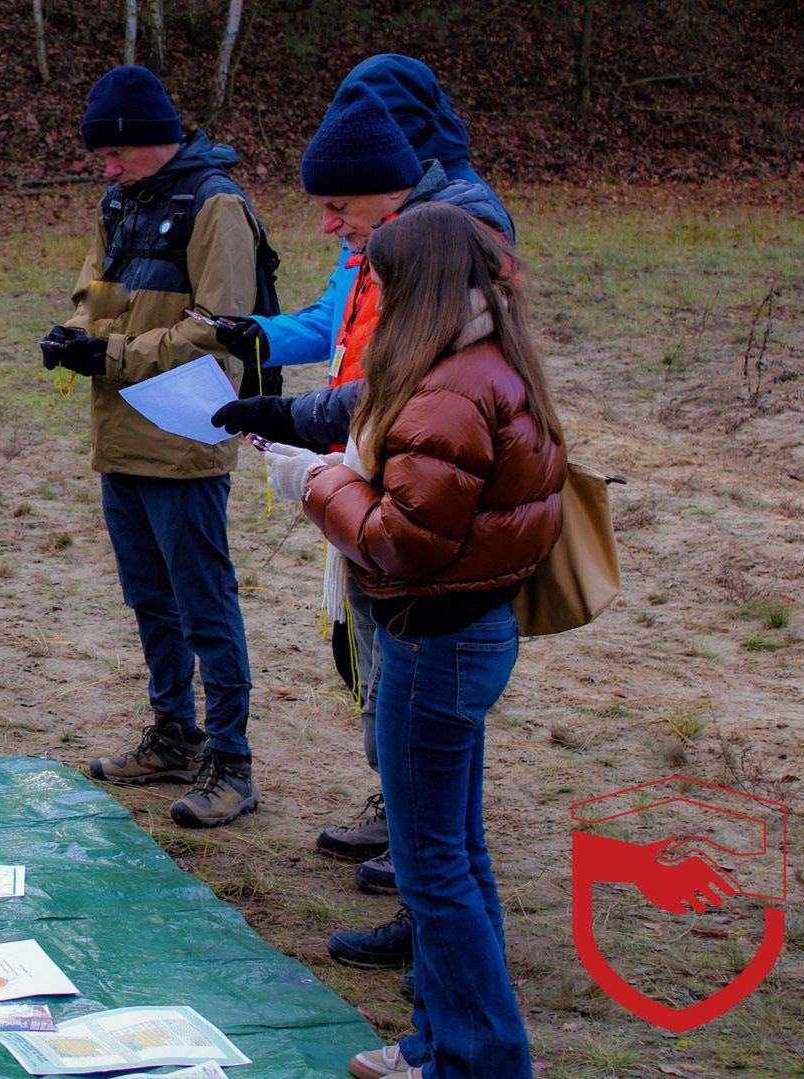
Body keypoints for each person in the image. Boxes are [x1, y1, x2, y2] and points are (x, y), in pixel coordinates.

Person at [206, 67, 514, 976]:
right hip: (389, 507)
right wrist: (258, 352)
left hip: (423, 572)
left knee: (432, 799)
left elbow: (404, 509)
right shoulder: (404, 254)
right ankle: (449, 970)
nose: (332, 227)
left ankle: (451, 1008)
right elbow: (347, 340)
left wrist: (308, 469)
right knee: (421, 779)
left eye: (341, 207)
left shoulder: (447, 272)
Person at [273, 200, 564, 1079]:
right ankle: (444, 1041)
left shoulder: (452, 390)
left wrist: (315, 483)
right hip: (462, 631)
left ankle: (478, 1059)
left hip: (435, 640)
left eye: (382, 281)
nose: (374, 294)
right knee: (455, 852)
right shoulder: (478, 364)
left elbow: (403, 538)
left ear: (420, 286)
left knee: (433, 866)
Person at [39, 66, 270, 829]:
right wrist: (76, 336)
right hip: (120, 435)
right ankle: (175, 732)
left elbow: (220, 326)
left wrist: (111, 357)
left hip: (183, 437)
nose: (104, 169)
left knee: (204, 605)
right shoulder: (121, 201)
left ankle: (231, 763)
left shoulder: (217, 205)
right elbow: (96, 291)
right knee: (148, 599)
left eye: (113, 154)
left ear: (149, 141)